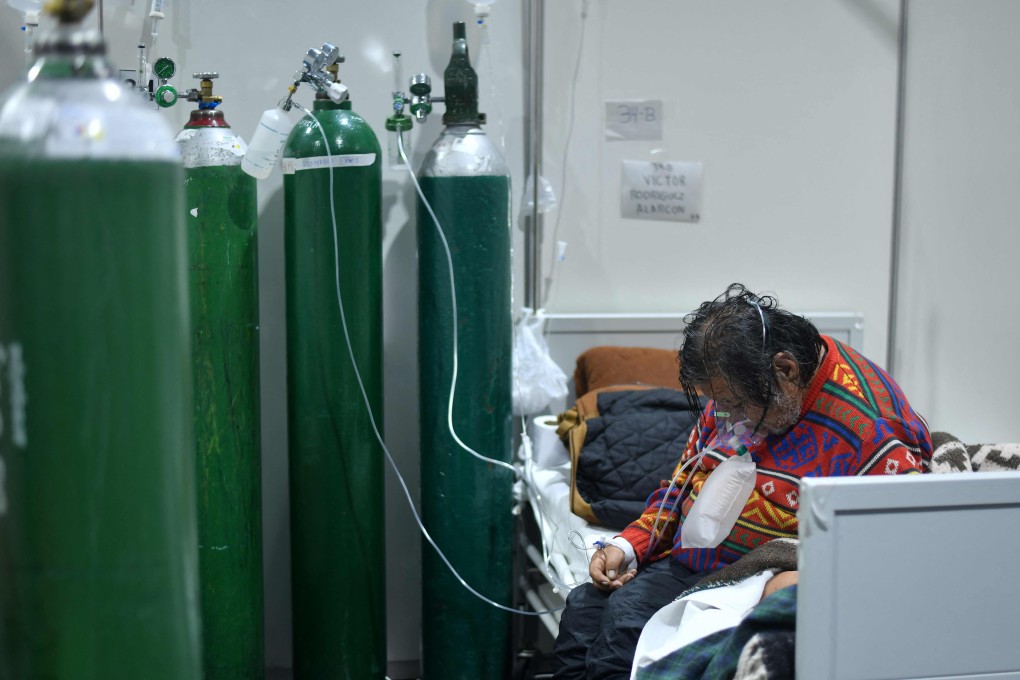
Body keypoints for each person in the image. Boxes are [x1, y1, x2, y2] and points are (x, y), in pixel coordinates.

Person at [552, 283, 932, 680]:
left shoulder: (873, 430)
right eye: (720, 404)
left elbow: (895, 554)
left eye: (734, 405)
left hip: (750, 578)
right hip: (693, 560)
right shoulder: (737, 386)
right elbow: (682, 483)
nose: (728, 420)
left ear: (785, 371)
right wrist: (628, 545)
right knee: (582, 609)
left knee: (624, 625)